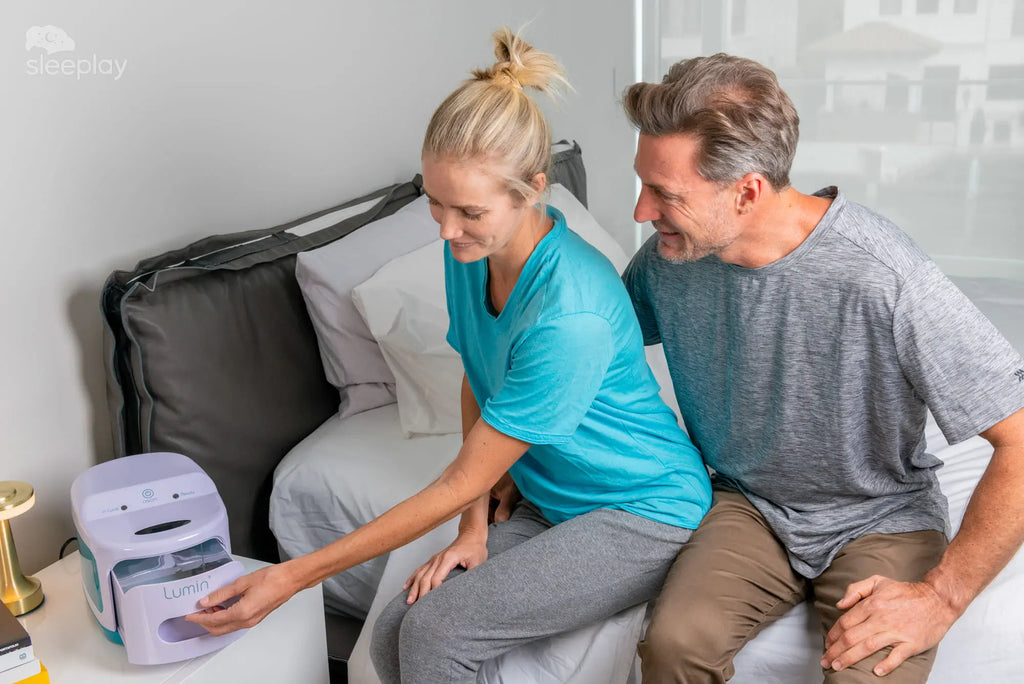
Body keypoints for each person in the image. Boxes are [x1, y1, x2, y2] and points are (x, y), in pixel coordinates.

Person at [187, 29, 712, 684]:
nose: (445, 228)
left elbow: (460, 477)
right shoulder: (472, 252)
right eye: (434, 203)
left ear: (533, 192)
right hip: (555, 494)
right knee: (391, 633)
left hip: (643, 511)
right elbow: (478, 374)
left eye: (467, 210)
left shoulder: (569, 314)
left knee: (438, 634)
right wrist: (471, 528)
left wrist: (290, 578)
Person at [617, 53, 1024, 683]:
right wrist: (513, 455)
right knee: (673, 645)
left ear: (747, 190)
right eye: (643, 186)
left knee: (868, 672)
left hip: (880, 517)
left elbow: (1020, 439)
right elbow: (588, 351)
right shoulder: (671, 257)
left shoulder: (884, 274)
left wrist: (942, 598)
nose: (643, 212)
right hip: (748, 504)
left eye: (664, 194)